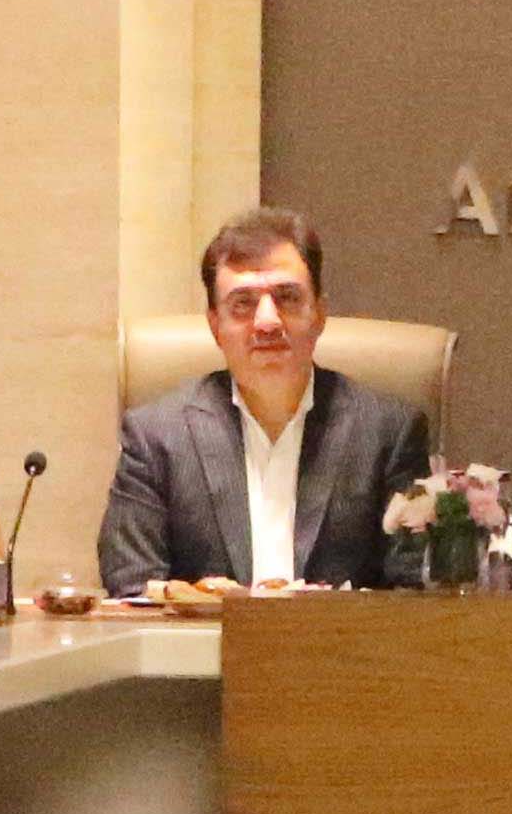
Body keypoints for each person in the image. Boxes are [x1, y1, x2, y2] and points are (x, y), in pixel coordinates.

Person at [101, 209, 435, 591]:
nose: (267, 322)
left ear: (320, 314)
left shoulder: (389, 433)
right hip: (210, 632)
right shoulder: (156, 437)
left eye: (287, 297)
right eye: (242, 303)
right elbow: (133, 588)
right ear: (215, 325)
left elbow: (413, 593)